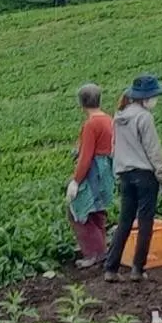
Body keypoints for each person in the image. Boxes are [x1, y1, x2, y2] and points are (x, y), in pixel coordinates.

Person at [104, 75, 162, 283]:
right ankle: (137, 268)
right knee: (144, 222)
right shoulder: (144, 117)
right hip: (145, 175)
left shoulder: (119, 116)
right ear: (146, 98)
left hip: (125, 174)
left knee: (124, 221)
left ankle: (111, 268)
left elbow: (115, 148)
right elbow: (153, 150)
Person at [65, 83, 114, 269]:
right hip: (106, 170)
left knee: (79, 210)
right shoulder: (108, 119)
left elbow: (86, 157)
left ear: (82, 104)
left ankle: (94, 254)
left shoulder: (91, 124)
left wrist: (76, 181)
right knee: (98, 210)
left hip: (94, 171)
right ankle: (101, 248)